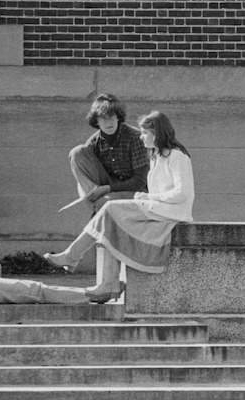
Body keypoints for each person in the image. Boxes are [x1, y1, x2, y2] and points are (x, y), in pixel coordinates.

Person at [45, 111, 194, 303]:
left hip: (170, 212)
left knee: (109, 209)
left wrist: (151, 197)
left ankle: (73, 256)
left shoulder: (177, 155)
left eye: (145, 133)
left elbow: (183, 193)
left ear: (157, 133)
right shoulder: (157, 156)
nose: (141, 137)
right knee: (110, 219)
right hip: (155, 207)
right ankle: (105, 283)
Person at [69, 93, 149, 210]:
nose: (108, 123)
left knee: (104, 203)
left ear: (118, 117)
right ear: (96, 121)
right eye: (103, 118)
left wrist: (107, 189)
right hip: (105, 187)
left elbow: (140, 181)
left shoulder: (135, 137)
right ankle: (92, 196)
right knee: (77, 152)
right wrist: (88, 193)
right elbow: (83, 175)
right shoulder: (93, 143)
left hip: (135, 190)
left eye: (111, 117)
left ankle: (97, 205)